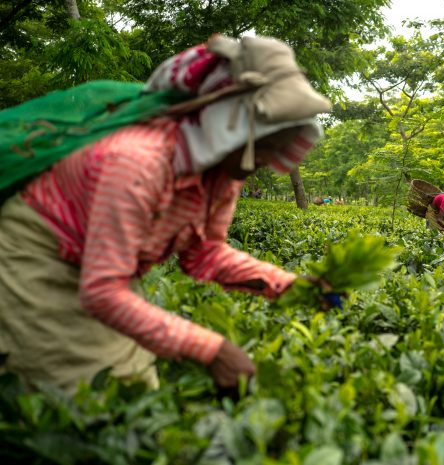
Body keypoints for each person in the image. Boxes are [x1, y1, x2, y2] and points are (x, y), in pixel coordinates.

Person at [0, 35, 334, 393]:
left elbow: (204, 252)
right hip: (38, 255)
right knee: (78, 392)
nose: (269, 159)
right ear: (227, 128)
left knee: (131, 383)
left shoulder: (222, 172)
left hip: (99, 267)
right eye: (265, 143)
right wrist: (213, 351)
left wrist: (287, 286)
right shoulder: (135, 164)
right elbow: (102, 291)